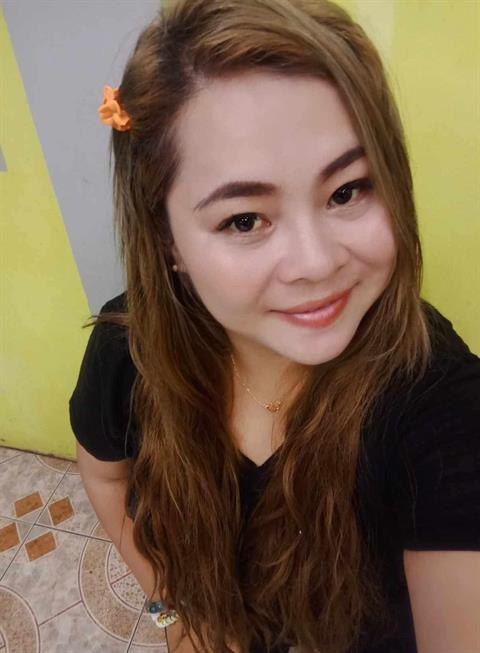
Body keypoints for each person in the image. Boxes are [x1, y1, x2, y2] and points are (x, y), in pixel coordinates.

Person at [69, 1, 480, 652]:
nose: (317, 263)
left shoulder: (439, 405)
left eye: (347, 190)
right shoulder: (128, 347)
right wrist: (179, 615)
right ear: (167, 240)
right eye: (244, 219)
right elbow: (105, 476)